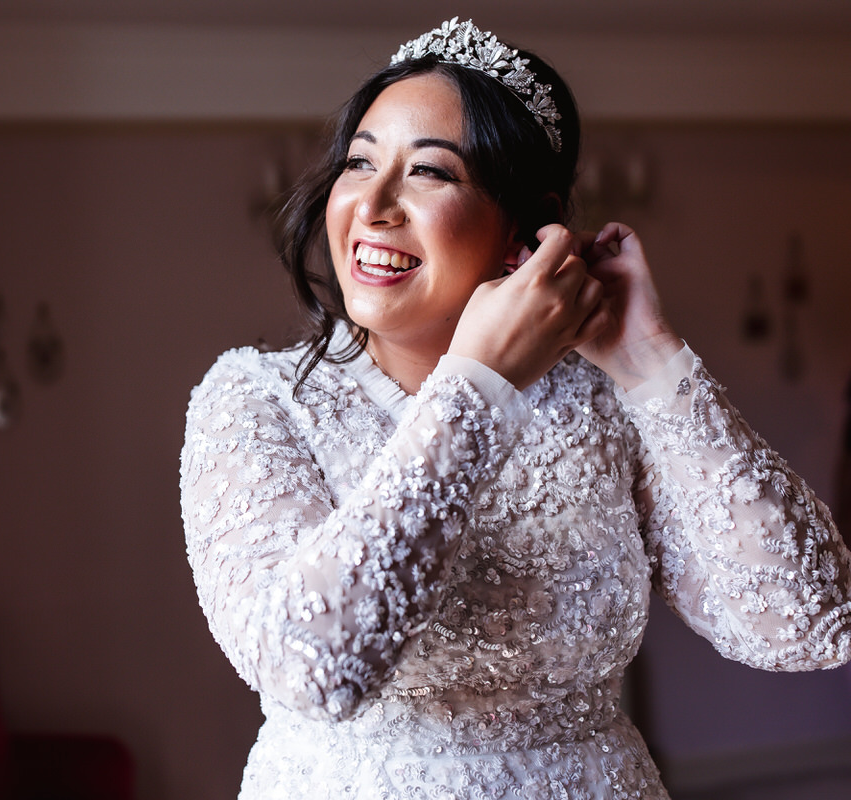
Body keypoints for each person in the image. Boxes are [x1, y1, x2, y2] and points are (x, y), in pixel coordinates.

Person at [179, 17, 851, 799]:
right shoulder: (256, 402)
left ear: (522, 231)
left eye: (429, 173)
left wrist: (653, 364)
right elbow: (312, 665)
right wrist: (478, 387)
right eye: (359, 162)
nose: (373, 205)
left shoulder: (601, 403)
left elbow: (811, 624)